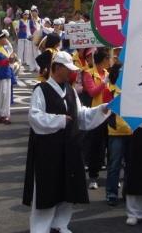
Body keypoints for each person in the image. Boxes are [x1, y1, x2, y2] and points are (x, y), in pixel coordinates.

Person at [23, 51, 111, 233]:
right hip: (48, 150)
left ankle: (60, 223)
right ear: (57, 68)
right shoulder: (41, 90)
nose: (71, 73)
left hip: (70, 147)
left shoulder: (70, 90)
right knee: (47, 189)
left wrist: (102, 110)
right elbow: (35, 117)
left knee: (67, 187)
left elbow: (81, 115)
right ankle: (40, 228)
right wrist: (59, 120)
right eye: (67, 69)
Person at [82, 48, 112, 190]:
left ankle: (111, 179)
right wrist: (103, 83)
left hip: (109, 114)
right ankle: (93, 177)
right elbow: (92, 92)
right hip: (96, 114)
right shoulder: (88, 73)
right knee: (95, 146)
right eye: (108, 59)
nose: (110, 61)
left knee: (110, 146)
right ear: (103, 60)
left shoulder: (107, 73)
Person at [105, 63, 132, 207]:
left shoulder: (134, 89)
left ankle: (128, 192)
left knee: (130, 165)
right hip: (116, 132)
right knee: (114, 164)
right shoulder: (110, 89)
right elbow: (105, 109)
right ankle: (111, 193)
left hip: (132, 131)